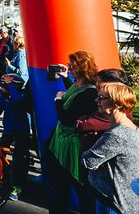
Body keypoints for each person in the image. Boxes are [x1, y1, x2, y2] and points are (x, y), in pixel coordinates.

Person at [47, 50, 99, 214]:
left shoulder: (90, 93)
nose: (69, 66)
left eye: (72, 65)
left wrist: (57, 101)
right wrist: (65, 77)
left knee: (77, 188)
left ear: (82, 68)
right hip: (62, 143)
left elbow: (67, 118)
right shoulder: (80, 85)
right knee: (63, 185)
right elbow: (75, 94)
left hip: (72, 147)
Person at [82, 82, 139, 214]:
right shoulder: (132, 128)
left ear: (118, 103)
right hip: (128, 200)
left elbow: (87, 161)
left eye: (102, 98)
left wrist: (99, 162)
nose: (97, 101)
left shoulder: (116, 134)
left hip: (112, 202)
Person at [0, 74, 31, 201]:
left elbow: (18, 101)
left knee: (19, 159)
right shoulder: (5, 95)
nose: (2, 89)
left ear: (14, 86)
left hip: (21, 130)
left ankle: (17, 187)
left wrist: (10, 86)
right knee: (1, 151)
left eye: (4, 86)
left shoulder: (21, 95)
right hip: (8, 129)